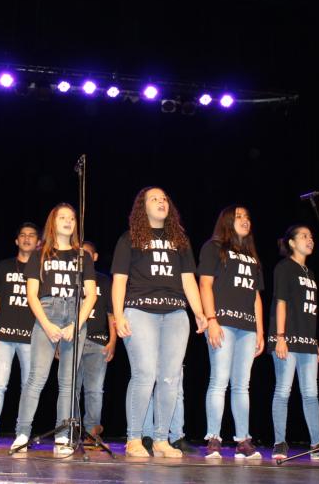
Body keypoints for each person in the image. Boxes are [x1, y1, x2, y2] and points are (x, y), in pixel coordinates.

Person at [111, 187, 207, 458]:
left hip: (176, 314)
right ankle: (134, 438)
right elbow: (119, 281)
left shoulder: (180, 240)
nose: (161, 201)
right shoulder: (129, 238)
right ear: (143, 207)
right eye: (154, 198)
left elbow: (189, 279)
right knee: (145, 374)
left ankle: (162, 438)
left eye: (164, 198)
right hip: (140, 312)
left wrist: (199, 312)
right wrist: (118, 316)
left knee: (170, 378)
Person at [11, 204, 97, 455]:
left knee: (68, 383)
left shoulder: (84, 256)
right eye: (62, 217)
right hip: (47, 312)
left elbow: (90, 296)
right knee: (36, 378)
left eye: (72, 218)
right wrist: (47, 325)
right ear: (53, 222)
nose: (68, 221)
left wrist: (75, 324)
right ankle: (22, 432)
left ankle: (62, 434)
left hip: (75, 314)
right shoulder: (41, 254)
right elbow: (32, 295)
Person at [198, 205, 265, 459]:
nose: (245, 220)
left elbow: (256, 297)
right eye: (239, 217)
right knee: (219, 381)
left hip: (248, 327)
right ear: (227, 221)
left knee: (241, 385)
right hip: (222, 322)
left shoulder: (252, 256)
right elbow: (205, 284)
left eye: (248, 217)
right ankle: (213, 437)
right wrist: (211, 319)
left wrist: (259, 331)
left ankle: (243, 440)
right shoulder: (213, 248)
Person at [268, 225, 319, 461]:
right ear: (291, 243)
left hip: (307, 341)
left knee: (311, 393)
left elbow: (310, 312)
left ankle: (317, 444)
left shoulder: (309, 272)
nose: (310, 240)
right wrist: (280, 337)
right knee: (283, 391)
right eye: (304, 236)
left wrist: (315, 342)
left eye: (311, 236)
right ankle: (280, 442)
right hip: (287, 339)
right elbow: (281, 303)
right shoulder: (284, 268)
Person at [0, 223, 39, 446]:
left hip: (31, 337)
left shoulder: (42, 268)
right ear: (16, 241)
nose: (26, 239)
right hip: (3, 334)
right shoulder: (4, 266)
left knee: (28, 385)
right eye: (22, 235)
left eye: (31, 236)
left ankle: (22, 432)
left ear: (38, 242)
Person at [76, 241, 116, 445]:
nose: (84, 258)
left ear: (96, 257)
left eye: (88, 254)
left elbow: (111, 313)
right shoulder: (71, 278)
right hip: (73, 342)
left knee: (94, 389)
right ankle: (72, 429)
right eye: (80, 255)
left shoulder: (104, 280)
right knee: (71, 387)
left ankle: (92, 430)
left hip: (98, 341)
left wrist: (113, 340)